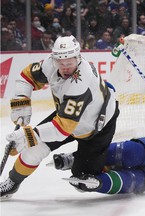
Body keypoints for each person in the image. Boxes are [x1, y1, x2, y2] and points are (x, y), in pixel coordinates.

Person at [0, 35, 119, 200]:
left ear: (78, 58)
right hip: (66, 118)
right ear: (54, 58)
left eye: (69, 63)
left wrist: (25, 136)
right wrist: (21, 101)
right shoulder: (51, 63)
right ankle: (12, 183)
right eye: (61, 63)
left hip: (96, 127)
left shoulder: (80, 82)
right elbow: (26, 77)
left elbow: (62, 129)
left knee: (82, 180)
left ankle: (112, 157)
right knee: (33, 150)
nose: (65, 68)